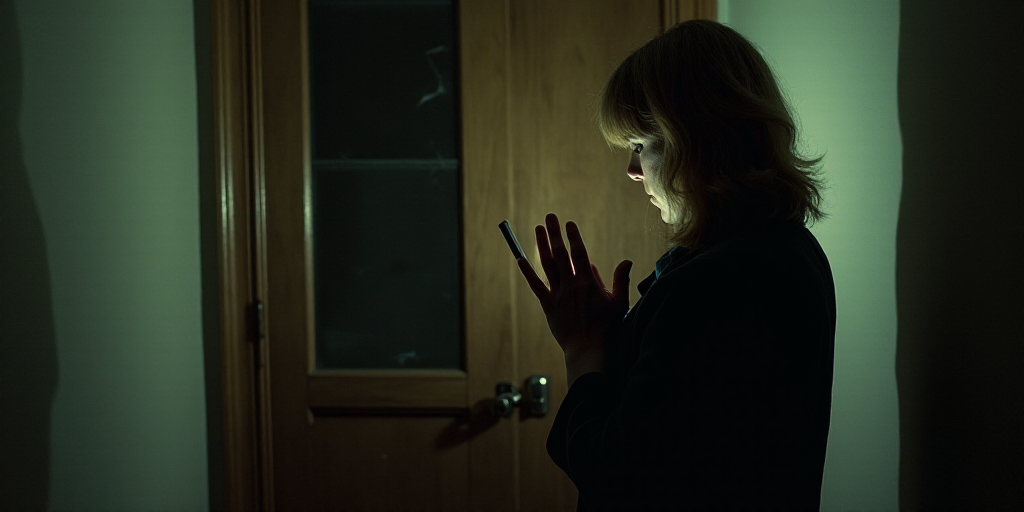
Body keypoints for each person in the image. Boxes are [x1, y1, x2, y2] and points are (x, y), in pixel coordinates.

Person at [515, 20, 836, 511]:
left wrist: (581, 351)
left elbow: (617, 474)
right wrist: (613, 338)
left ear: (701, 136)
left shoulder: (720, 281)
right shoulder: (784, 251)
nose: (632, 170)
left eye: (642, 144)